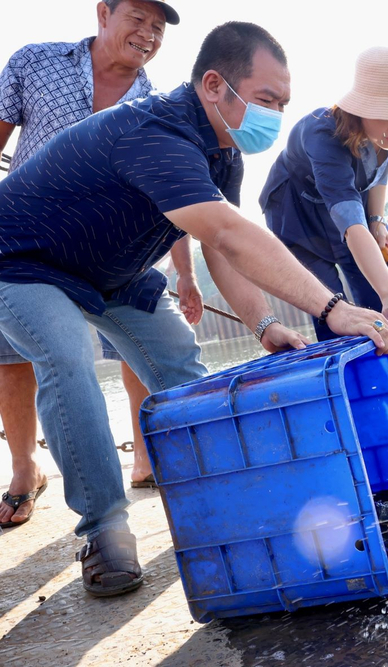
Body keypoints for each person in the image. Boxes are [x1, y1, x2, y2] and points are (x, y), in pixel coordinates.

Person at [0, 21, 388, 597]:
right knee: (64, 355)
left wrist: (264, 323)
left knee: (182, 368)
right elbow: (230, 234)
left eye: (282, 104)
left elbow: (221, 249)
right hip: (23, 259)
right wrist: (331, 307)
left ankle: (222, 507)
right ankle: (104, 530)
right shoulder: (156, 130)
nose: (275, 117)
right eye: (264, 100)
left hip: (114, 272)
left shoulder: (223, 155)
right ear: (214, 84)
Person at [0, 0, 202, 530]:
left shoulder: (155, 104)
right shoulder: (36, 62)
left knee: (154, 350)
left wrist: (185, 272)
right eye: (137, 18)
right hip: (27, 248)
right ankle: (31, 473)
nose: (148, 34)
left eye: (158, 28)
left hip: (113, 259)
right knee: (32, 355)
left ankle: (157, 461)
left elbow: (171, 205)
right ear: (103, 13)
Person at [260, 46, 388, 342]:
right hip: (298, 215)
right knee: (333, 309)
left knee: (377, 305)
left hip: (351, 209)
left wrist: (376, 220)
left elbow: (380, 173)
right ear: (362, 107)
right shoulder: (322, 133)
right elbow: (351, 224)